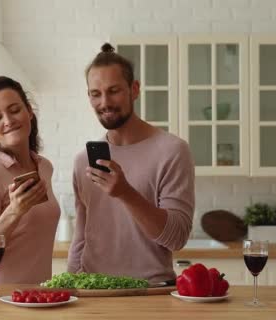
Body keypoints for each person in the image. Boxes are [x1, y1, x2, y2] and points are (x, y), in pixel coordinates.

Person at [67, 43, 195, 283]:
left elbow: (177, 238)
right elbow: (82, 237)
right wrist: (72, 285)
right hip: (94, 291)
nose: (104, 102)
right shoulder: (83, 160)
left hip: (151, 292)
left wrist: (125, 193)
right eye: (96, 94)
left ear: (134, 89)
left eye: (114, 90)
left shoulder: (172, 151)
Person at [0, 76, 60, 285]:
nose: (8, 121)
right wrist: (14, 211)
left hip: (35, 295)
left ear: (29, 110)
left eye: (15, 110)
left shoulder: (44, 167)